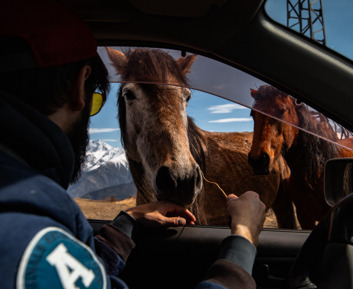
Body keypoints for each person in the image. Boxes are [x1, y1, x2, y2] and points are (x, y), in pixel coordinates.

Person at [0, 1, 266, 288]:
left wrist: (127, 220)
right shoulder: (28, 230)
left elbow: (86, 275)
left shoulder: (21, 205)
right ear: (80, 86)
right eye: (95, 102)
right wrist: (242, 240)